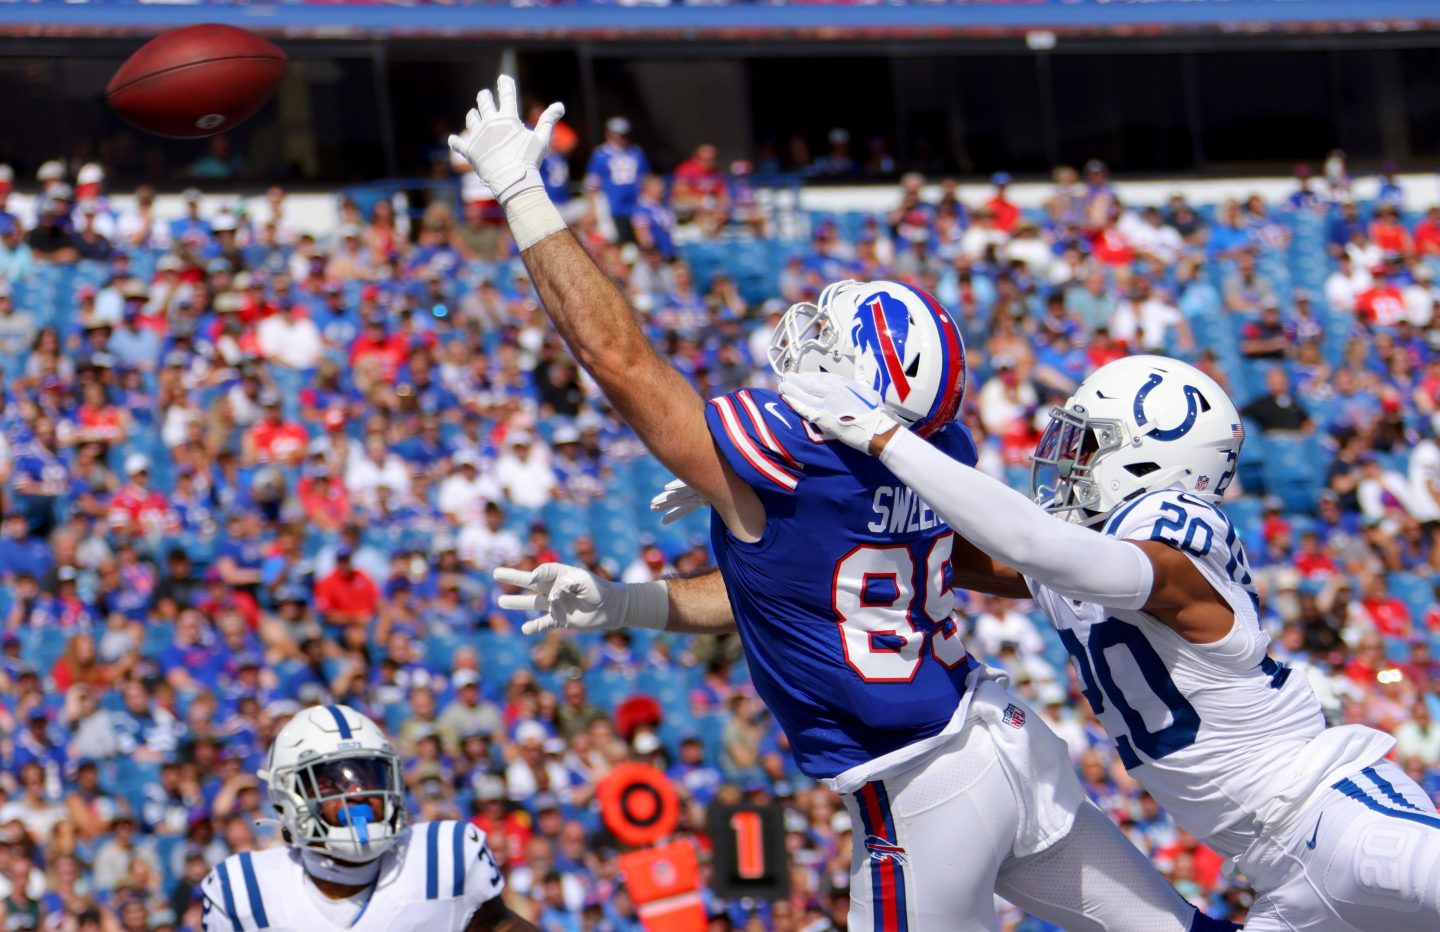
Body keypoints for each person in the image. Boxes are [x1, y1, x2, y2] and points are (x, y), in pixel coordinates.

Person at [452, 75, 1225, 932]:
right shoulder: (942, 453)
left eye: (831, 339)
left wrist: (523, 195)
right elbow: (796, 590)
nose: (809, 341)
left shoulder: (787, 455)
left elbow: (619, 360)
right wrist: (628, 601)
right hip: (1006, 740)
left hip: (919, 782)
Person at [769, 354, 1440, 931]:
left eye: (1091, 445)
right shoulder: (1089, 560)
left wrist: (884, 436)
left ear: (1152, 459)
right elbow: (926, 551)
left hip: (1343, 822)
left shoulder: (1171, 556)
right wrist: (790, 498)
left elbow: (1033, 544)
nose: (1068, 460)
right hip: (1276, 873)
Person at [200, 704, 534, 931]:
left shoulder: (444, 857)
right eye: (333, 781)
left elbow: (500, 925)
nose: (358, 792)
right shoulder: (245, 889)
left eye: (370, 776)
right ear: (289, 795)